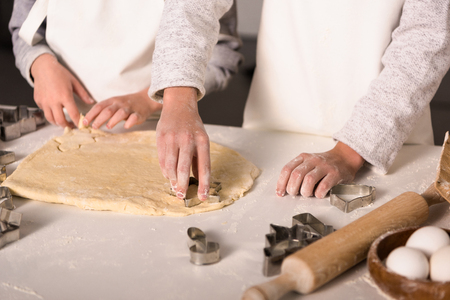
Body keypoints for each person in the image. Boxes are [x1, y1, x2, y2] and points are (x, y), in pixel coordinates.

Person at [149, 0, 450, 198]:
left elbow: (426, 38)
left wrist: (350, 152)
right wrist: (178, 96)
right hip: (274, 131)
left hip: (386, 144)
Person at [9, 0, 241, 201]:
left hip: (160, 128)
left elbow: (222, 53)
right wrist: (39, 64)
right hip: (63, 127)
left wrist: (155, 98)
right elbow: (24, 29)